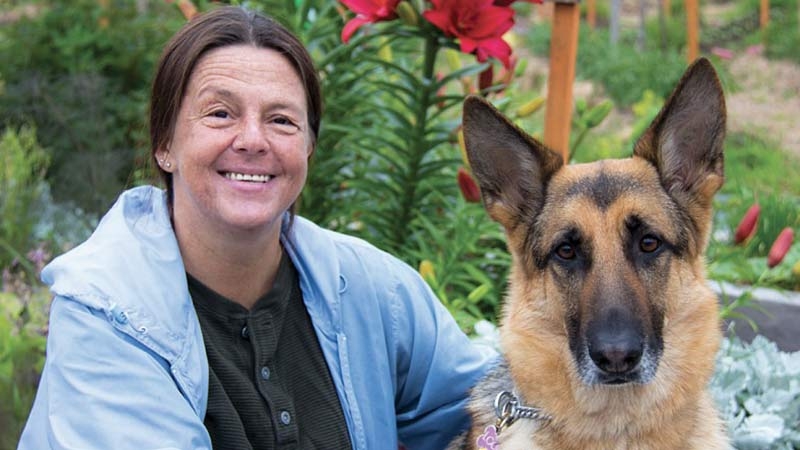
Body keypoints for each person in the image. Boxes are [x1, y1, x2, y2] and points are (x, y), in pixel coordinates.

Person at [18, 5, 496, 450]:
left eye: (282, 120)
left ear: (309, 148)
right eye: (220, 113)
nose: (252, 140)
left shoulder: (374, 291)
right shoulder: (106, 317)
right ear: (164, 144)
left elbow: (489, 410)